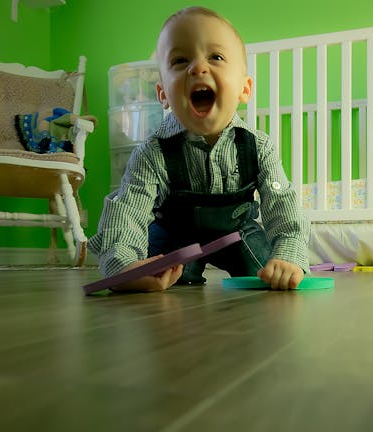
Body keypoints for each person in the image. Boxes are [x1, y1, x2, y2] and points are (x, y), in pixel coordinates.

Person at [89, 6, 310, 291]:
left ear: (244, 89)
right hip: (176, 236)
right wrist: (123, 264)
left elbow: (283, 207)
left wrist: (288, 256)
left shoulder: (260, 146)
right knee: (157, 275)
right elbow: (128, 210)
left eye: (216, 57)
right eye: (180, 60)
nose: (197, 68)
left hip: (238, 233)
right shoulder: (152, 152)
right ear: (163, 94)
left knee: (268, 274)